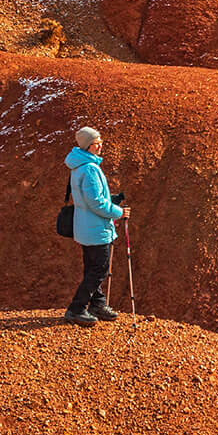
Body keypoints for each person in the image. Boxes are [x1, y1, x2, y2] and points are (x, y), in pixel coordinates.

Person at [64, 126, 128, 327]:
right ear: (88, 146)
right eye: (97, 142)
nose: (101, 146)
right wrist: (119, 212)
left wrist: (112, 200)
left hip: (85, 227)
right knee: (99, 269)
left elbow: (92, 199)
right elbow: (96, 203)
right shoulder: (90, 169)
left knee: (92, 268)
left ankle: (97, 304)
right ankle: (76, 309)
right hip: (96, 229)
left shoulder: (80, 165)